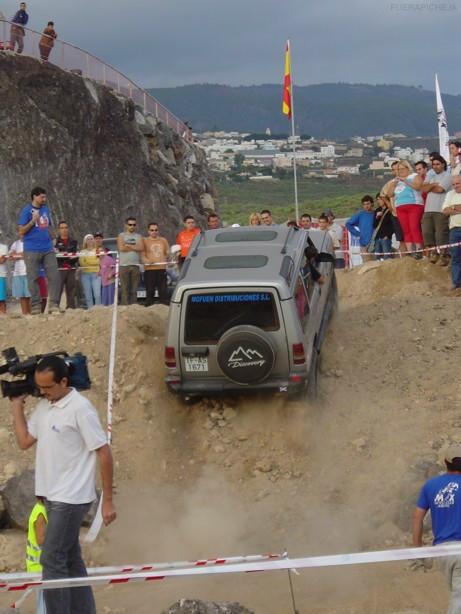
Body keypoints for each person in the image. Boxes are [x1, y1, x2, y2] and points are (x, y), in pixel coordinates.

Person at [11, 355, 116, 614]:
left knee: (51, 558)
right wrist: (16, 407)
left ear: (64, 381)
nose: (42, 392)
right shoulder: (44, 407)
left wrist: (108, 501)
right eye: (40, 387)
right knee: (70, 559)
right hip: (50, 495)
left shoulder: (80, 408)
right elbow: (24, 441)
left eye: (48, 387)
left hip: (71, 497)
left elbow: (103, 451)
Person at [413, 444, 461, 613]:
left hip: (442, 552)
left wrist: (419, 551)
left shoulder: (430, 485)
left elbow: (417, 517)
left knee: (457, 595)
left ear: (446, 462)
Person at [18, 187, 61, 315]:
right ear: (34, 197)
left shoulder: (45, 209)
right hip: (31, 249)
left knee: (54, 276)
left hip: (47, 248)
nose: (44, 199)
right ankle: (36, 306)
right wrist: (32, 221)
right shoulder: (26, 211)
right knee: (33, 278)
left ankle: (54, 305)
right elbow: (21, 231)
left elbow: (48, 226)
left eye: (44, 197)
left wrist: (54, 239)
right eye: (42, 197)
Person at [388, 160, 424, 258]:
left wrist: (406, 181)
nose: (400, 171)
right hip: (400, 206)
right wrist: (394, 184)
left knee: (414, 227)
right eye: (398, 169)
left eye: (402, 169)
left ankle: (418, 249)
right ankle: (410, 251)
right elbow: (389, 194)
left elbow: (418, 186)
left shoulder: (414, 176)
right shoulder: (395, 180)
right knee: (406, 229)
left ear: (408, 168)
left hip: (414, 204)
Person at [421, 155, 451, 266]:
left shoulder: (447, 176)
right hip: (428, 209)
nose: (435, 166)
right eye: (433, 164)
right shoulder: (430, 174)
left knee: (440, 233)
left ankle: (444, 255)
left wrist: (430, 186)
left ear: (443, 164)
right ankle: (433, 253)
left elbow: (440, 189)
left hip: (440, 208)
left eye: (438, 164)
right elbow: (423, 188)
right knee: (427, 232)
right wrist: (433, 184)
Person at [26, 497, 48, 614]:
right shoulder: (41, 513)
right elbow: (40, 540)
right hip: (39, 567)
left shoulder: (39, 509)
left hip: (40, 566)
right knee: (45, 603)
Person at [141, 223, 169, 306]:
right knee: (150, 291)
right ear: (148, 231)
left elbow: (167, 252)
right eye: (152, 230)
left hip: (161, 269)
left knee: (163, 291)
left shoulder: (163, 240)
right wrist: (147, 261)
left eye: (156, 230)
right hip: (150, 270)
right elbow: (142, 255)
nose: (154, 232)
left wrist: (169, 254)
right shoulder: (144, 241)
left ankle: (164, 309)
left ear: (158, 231)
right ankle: (149, 310)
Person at [442, 175, 461, 295]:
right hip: (454, 229)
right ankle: (456, 283)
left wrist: (452, 208)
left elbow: (449, 209)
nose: (455, 186)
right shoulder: (450, 194)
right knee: (455, 258)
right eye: (453, 184)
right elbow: (444, 211)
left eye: (457, 184)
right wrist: (456, 208)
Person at [381, 161, 405, 254]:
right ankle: (405, 259)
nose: (396, 171)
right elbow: (382, 194)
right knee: (401, 239)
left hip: (407, 212)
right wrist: (389, 205)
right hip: (396, 214)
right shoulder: (391, 183)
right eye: (394, 169)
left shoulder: (408, 180)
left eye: (398, 169)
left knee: (411, 236)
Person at [117, 217, 143, 304]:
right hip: (124, 265)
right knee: (125, 289)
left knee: (134, 290)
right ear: (126, 225)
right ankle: (125, 307)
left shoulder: (138, 236)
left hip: (135, 265)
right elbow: (121, 248)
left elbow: (141, 248)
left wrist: (128, 246)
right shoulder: (121, 236)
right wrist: (134, 247)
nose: (132, 226)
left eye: (134, 225)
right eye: (130, 224)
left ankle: (134, 308)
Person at [55, 221, 78, 309]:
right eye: (62, 228)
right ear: (59, 230)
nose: (64, 230)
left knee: (71, 289)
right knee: (58, 289)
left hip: (71, 267)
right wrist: (67, 256)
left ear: (68, 229)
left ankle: (71, 308)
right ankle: (56, 307)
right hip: (59, 268)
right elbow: (55, 256)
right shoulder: (55, 242)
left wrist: (66, 256)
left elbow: (76, 256)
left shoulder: (74, 241)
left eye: (65, 227)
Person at [9, 233, 31, 315]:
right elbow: (10, 256)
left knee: (29, 295)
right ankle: (25, 314)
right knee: (21, 295)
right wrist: (21, 254)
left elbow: (29, 255)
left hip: (28, 271)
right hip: (17, 272)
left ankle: (31, 314)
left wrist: (17, 255)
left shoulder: (30, 243)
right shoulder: (15, 243)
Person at [79, 234, 101, 308]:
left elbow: (99, 261)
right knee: (88, 295)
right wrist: (93, 262)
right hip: (85, 275)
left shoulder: (98, 250)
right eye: (88, 239)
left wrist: (88, 261)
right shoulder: (82, 251)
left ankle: (98, 310)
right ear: (85, 241)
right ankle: (90, 311)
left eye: (91, 238)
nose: (90, 240)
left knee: (97, 294)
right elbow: (82, 263)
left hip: (96, 274)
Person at [371, 194, 394, 260]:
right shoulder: (377, 210)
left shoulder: (390, 210)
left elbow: (393, 224)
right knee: (376, 258)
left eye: (380, 199)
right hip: (377, 237)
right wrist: (377, 217)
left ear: (385, 199)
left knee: (387, 257)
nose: (379, 201)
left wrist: (388, 235)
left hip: (385, 237)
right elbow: (374, 225)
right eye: (377, 199)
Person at [0, 238, 7, 314]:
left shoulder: (3, 247)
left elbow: (2, 261)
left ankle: (3, 314)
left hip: (1, 274)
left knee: (1, 299)